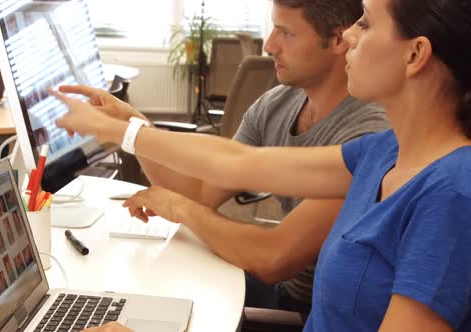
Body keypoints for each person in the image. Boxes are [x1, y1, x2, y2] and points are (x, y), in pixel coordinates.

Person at [53, 0, 471, 330]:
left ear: (415, 54)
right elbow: (240, 163)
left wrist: (140, 152)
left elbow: (272, 254)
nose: (350, 36)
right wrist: (131, 128)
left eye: (365, 22)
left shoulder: (451, 197)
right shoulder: (383, 152)